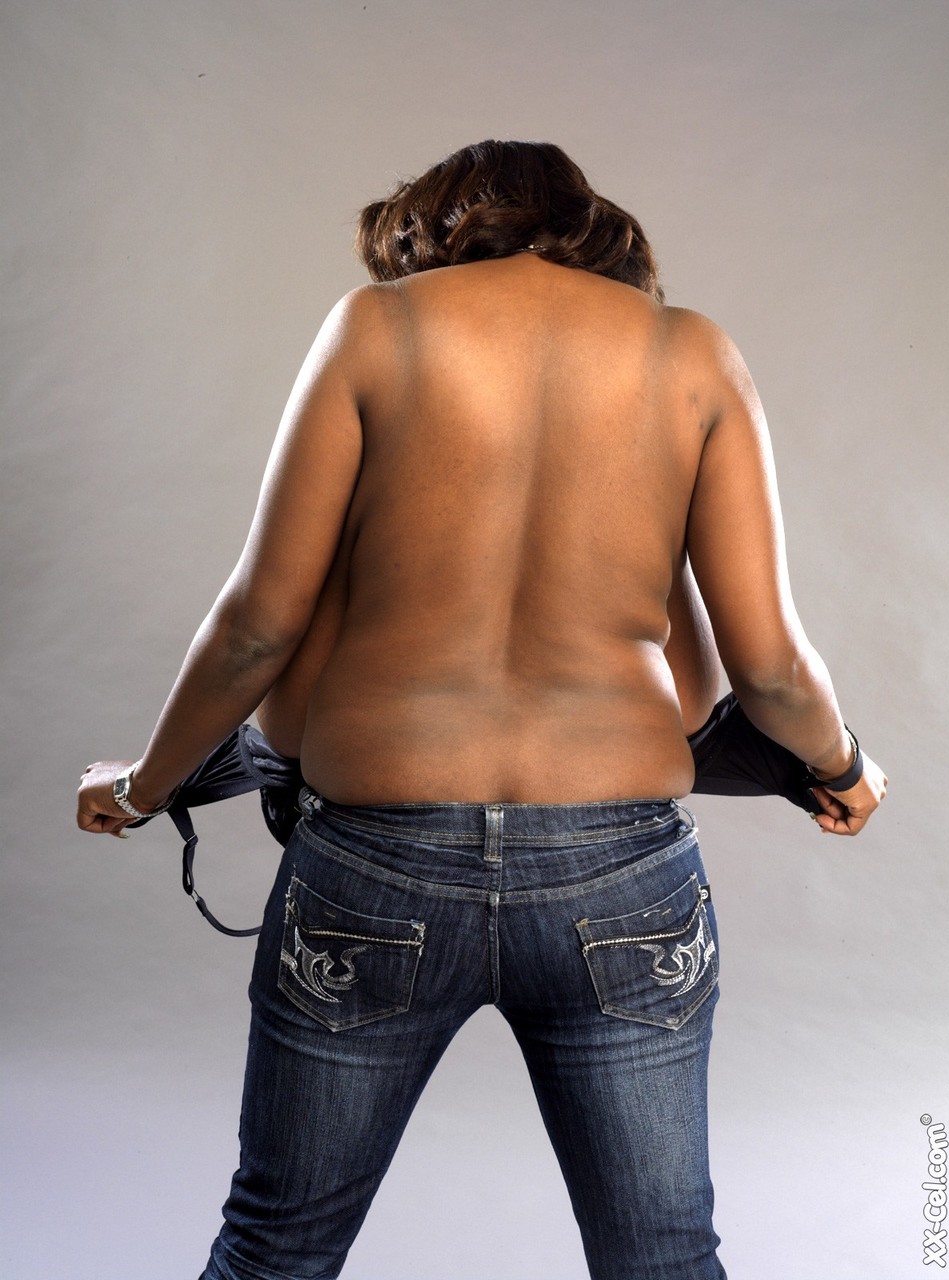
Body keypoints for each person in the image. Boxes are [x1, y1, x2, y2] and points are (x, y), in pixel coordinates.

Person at [77, 140, 887, 1280]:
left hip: (375, 864)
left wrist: (139, 788)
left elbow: (260, 625)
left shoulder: (376, 329)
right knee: (665, 1260)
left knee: (273, 1250)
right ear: (590, 224)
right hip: (621, 877)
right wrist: (843, 767)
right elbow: (772, 670)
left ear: (433, 219)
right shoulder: (692, 353)